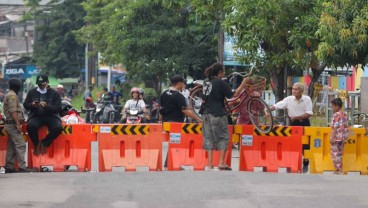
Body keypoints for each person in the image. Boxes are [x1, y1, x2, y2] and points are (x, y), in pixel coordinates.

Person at [201, 63, 247, 171]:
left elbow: (206, 97)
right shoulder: (220, 82)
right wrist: (243, 83)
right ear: (220, 72)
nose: (224, 73)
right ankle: (221, 162)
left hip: (206, 114)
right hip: (217, 114)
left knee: (209, 138)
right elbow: (233, 95)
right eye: (223, 71)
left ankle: (210, 163)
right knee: (223, 138)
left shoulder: (206, 82)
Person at [159, 75, 203, 169]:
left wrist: (160, 121)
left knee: (173, 142)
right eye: (183, 83)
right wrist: (198, 118)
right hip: (175, 123)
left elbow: (161, 109)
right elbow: (185, 111)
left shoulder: (164, 93)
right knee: (176, 143)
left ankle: (168, 162)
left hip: (166, 122)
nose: (184, 85)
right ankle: (173, 163)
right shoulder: (179, 96)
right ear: (178, 83)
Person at [269, 82, 313, 173]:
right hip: (293, 124)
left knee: (306, 145)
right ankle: (293, 163)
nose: (293, 91)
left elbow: (309, 113)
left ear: (301, 91)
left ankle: (305, 162)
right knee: (293, 144)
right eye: (293, 89)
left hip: (304, 123)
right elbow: (277, 105)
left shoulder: (307, 99)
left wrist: (297, 117)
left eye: (296, 89)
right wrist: (268, 109)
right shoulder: (289, 99)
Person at [23, 74, 63, 156]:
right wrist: (33, 105)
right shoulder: (32, 92)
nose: (41, 86)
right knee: (30, 126)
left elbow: (58, 108)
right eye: (39, 84)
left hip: (51, 116)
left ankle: (44, 143)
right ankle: (36, 144)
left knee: (58, 127)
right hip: (36, 115)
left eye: (43, 84)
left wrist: (47, 106)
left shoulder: (54, 93)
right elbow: (26, 105)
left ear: (47, 82)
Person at [3, 78, 34, 173]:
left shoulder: (9, 94)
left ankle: (9, 166)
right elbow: (13, 111)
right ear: (18, 87)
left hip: (9, 125)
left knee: (12, 146)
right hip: (13, 125)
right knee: (21, 144)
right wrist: (17, 124)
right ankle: (22, 166)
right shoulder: (12, 96)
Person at [330, 98, 348, 175]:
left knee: (334, 153)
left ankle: (338, 169)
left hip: (337, 136)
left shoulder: (336, 114)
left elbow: (335, 126)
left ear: (337, 106)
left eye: (333, 106)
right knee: (340, 153)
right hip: (343, 136)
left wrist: (332, 137)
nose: (332, 108)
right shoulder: (345, 113)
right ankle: (340, 169)